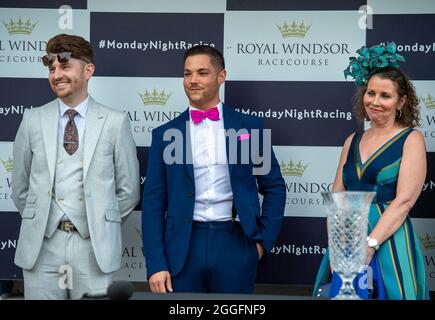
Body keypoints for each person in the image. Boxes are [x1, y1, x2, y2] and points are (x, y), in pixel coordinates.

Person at [141, 45, 286, 293]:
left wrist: (261, 244)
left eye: (202, 73)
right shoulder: (165, 134)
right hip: (182, 248)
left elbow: (274, 187)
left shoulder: (250, 127)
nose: (193, 81)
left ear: (221, 76)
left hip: (235, 244)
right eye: (187, 74)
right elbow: (153, 202)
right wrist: (155, 263)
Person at [12, 34, 140, 299]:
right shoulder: (32, 119)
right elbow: (20, 187)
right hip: (42, 246)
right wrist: (41, 221)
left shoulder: (115, 122)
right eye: (52, 68)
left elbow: (128, 191)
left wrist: (99, 223)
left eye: (65, 66)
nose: (57, 74)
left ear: (88, 70)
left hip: (94, 248)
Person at [313, 42, 429, 300]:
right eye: (371, 93)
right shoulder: (352, 140)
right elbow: (337, 199)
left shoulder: (411, 139)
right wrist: (337, 248)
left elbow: (404, 202)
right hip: (346, 244)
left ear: (401, 101)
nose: (375, 102)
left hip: (388, 242)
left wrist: (369, 246)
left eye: (385, 96)